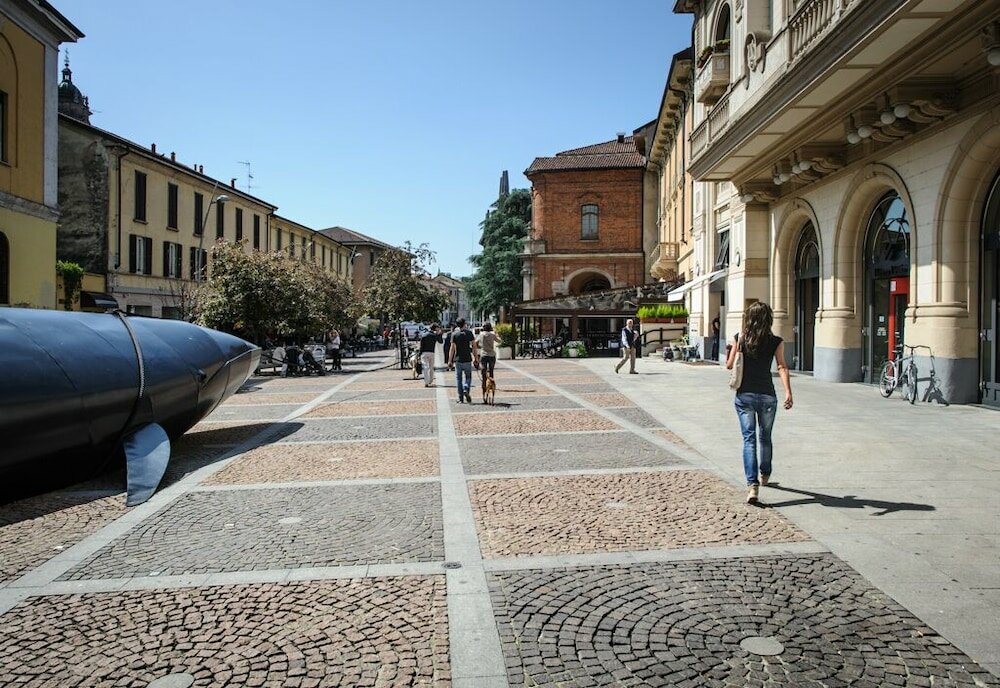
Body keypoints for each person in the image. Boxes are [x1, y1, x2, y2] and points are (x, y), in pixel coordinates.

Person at [725, 301, 793, 504]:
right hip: (767, 395)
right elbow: (782, 366)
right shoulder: (776, 341)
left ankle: (752, 485)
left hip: (744, 395)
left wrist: (734, 348)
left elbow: (729, 365)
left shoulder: (740, 338)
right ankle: (765, 474)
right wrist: (788, 392)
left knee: (749, 439)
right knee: (765, 437)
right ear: (769, 319)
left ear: (749, 318)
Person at [448, 318, 479, 403]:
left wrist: (450, 360)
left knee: (459, 379)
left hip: (458, 359)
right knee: (468, 377)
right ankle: (466, 388)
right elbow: (474, 347)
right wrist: (476, 358)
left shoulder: (454, 334)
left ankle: (460, 398)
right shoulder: (469, 333)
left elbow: (452, 349)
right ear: (464, 324)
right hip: (467, 359)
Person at [477, 322, 502, 393]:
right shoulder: (492, 335)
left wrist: (479, 347)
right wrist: (497, 334)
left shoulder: (481, 334)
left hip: (484, 354)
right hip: (491, 354)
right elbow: (499, 341)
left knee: (484, 371)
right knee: (491, 371)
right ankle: (491, 384)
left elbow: (475, 342)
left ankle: (484, 384)